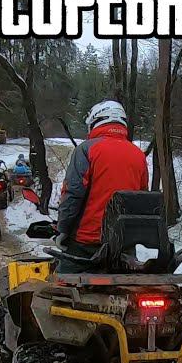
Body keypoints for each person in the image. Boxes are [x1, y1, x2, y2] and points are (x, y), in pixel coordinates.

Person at [55, 100, 148, 273]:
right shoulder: (138, 155)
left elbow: (72, 193)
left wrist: (63, 229)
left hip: (86, 242)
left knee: (61, 283)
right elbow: (142, 198)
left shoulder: (86, 149)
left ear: (95, 121)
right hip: (124, 244)